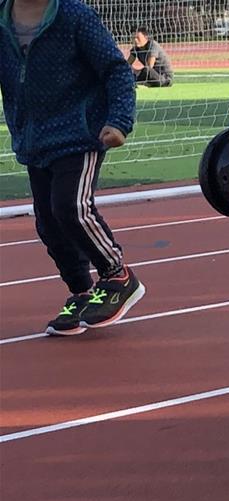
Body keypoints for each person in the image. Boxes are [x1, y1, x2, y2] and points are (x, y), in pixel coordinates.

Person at [0, 0, 146, 336]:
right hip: (33, 138)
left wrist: (119, 121)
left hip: (80, 133)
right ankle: (81, 291)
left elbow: (115, 69)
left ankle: (118, 276)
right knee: (49, 224)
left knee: (71, 207)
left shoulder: (72, 16)